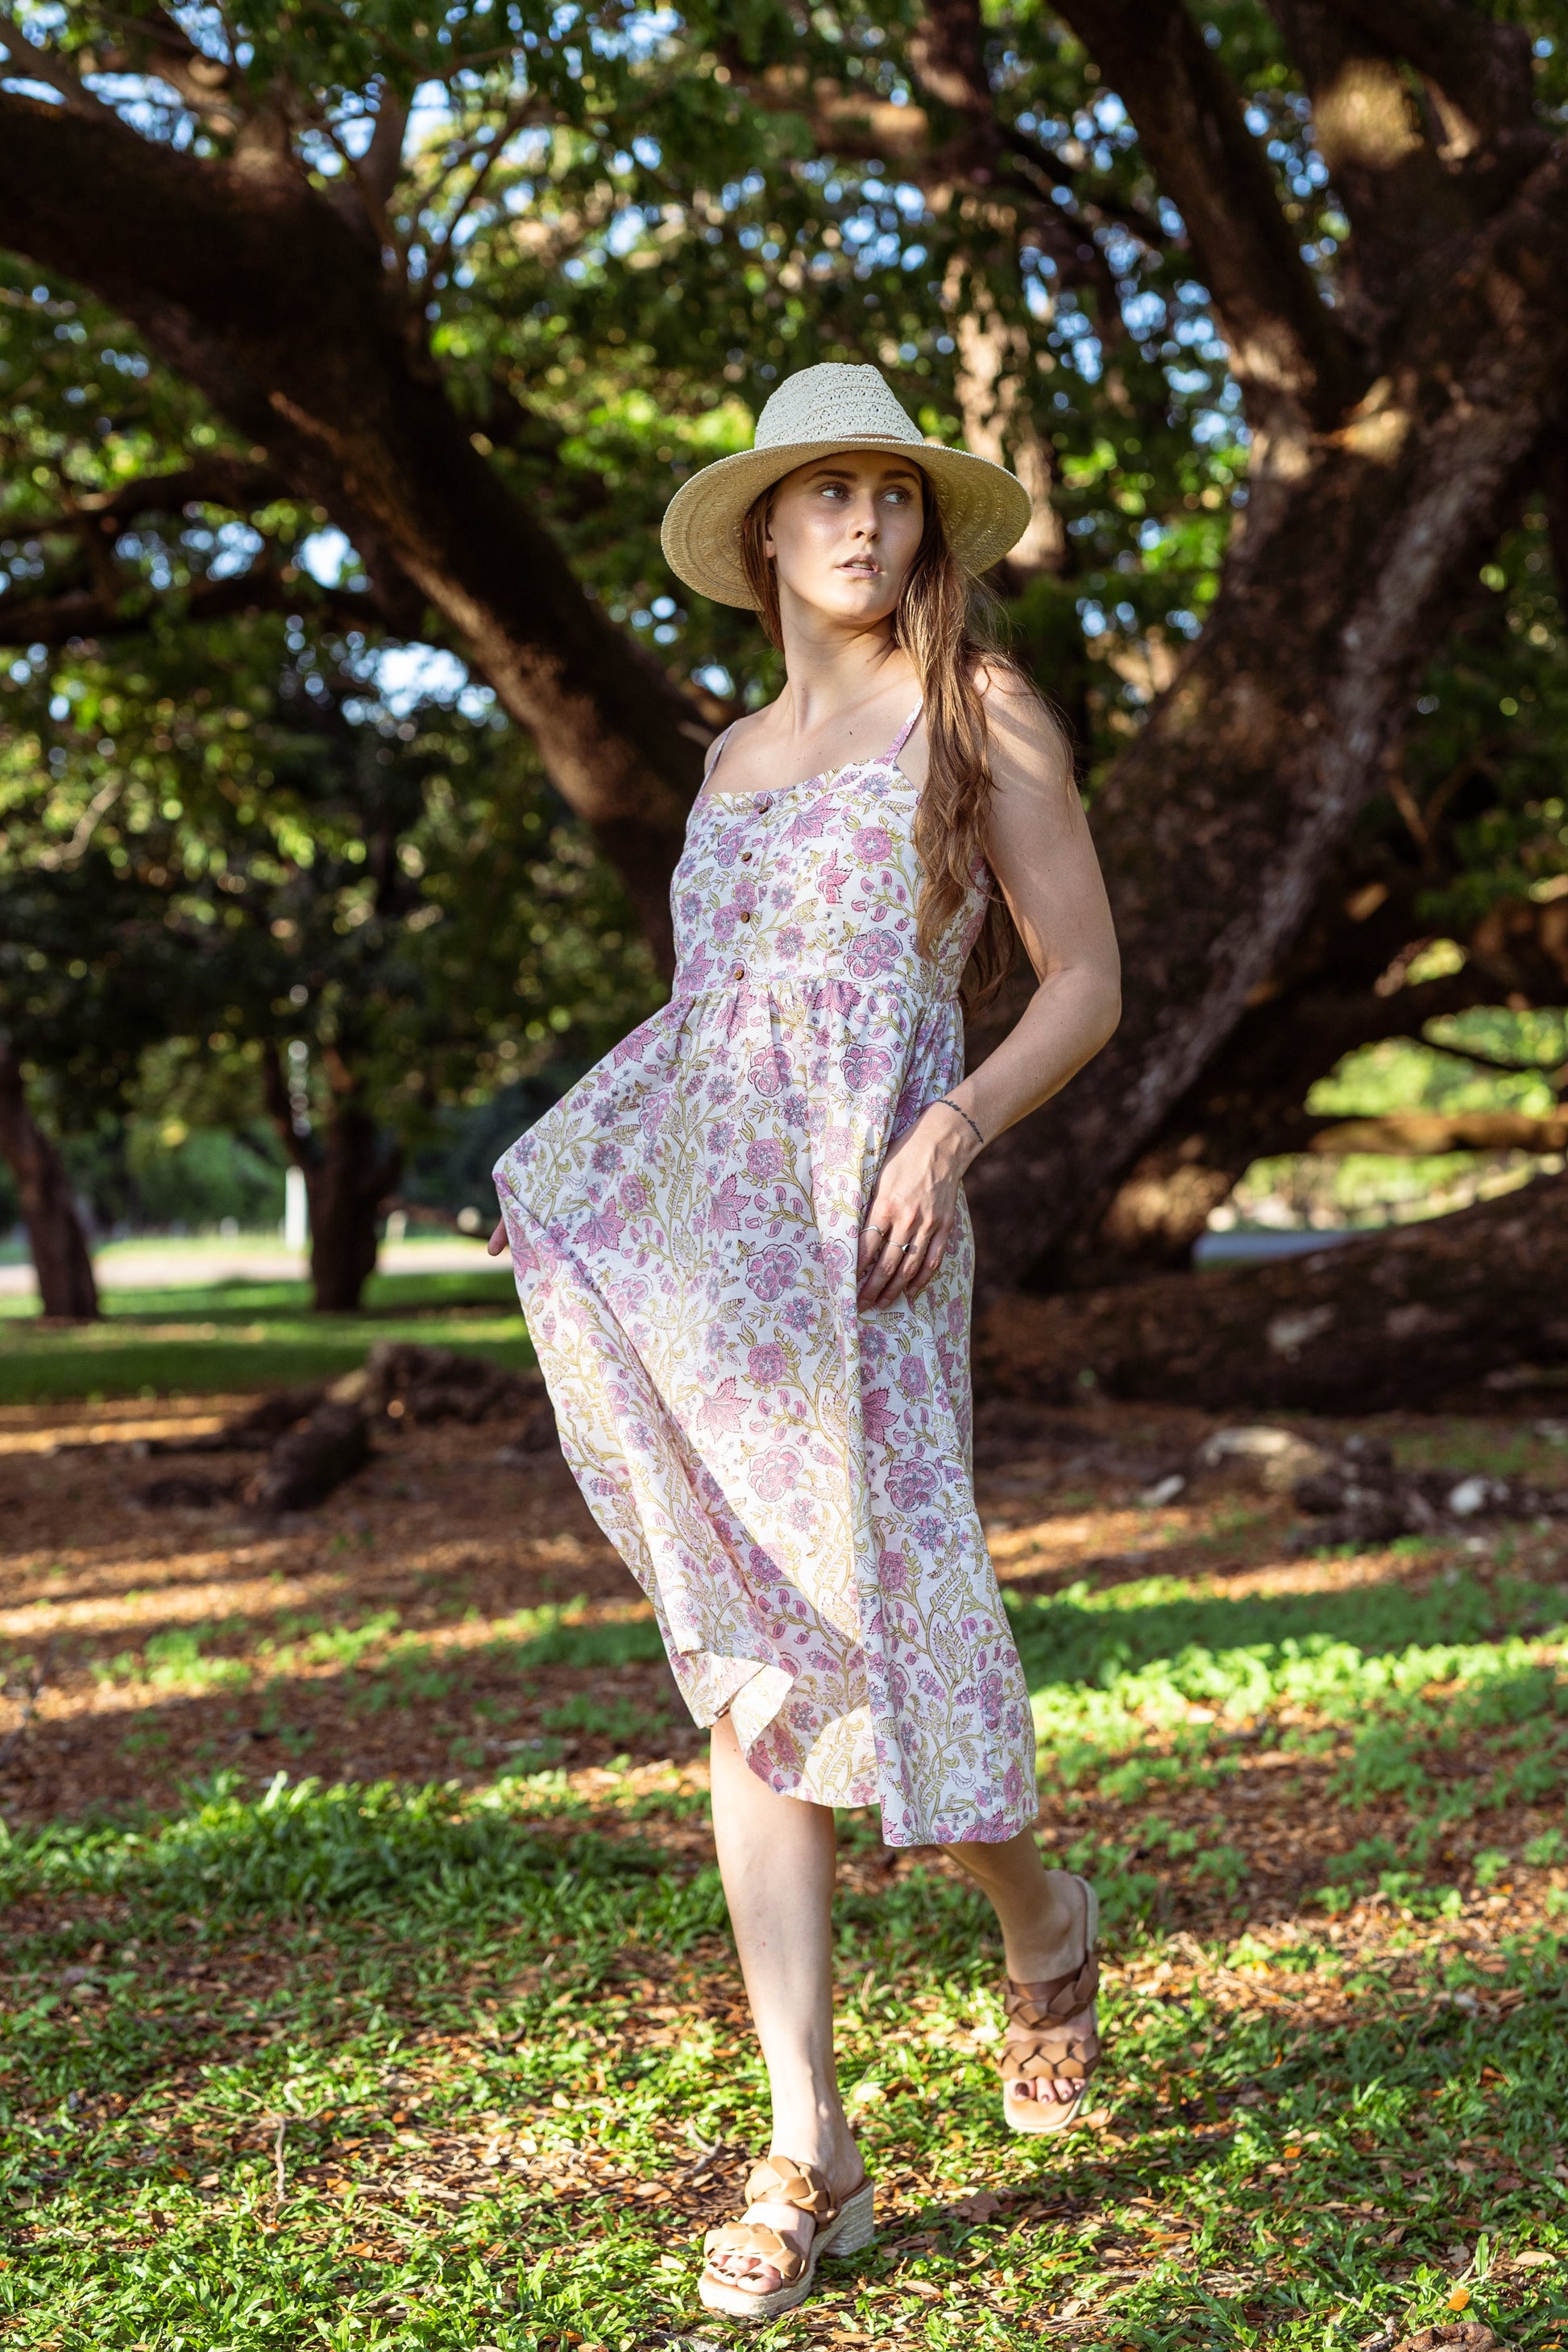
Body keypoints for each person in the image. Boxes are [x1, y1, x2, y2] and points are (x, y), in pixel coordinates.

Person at [490, 362, 1121, 2321]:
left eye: (892, 492)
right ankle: (808, 2144)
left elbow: (1084, 983)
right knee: (756, 1673)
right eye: (824, 492)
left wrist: (951, 1128)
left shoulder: (978, 707)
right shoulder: (727, 756)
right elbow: (716, 1025)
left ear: (924, 526)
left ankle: (1043, 1907)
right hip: (721, 1256)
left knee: (908, 1647)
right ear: (763, 530)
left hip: (875, 1241)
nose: (862, 521)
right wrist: (589, 1182)